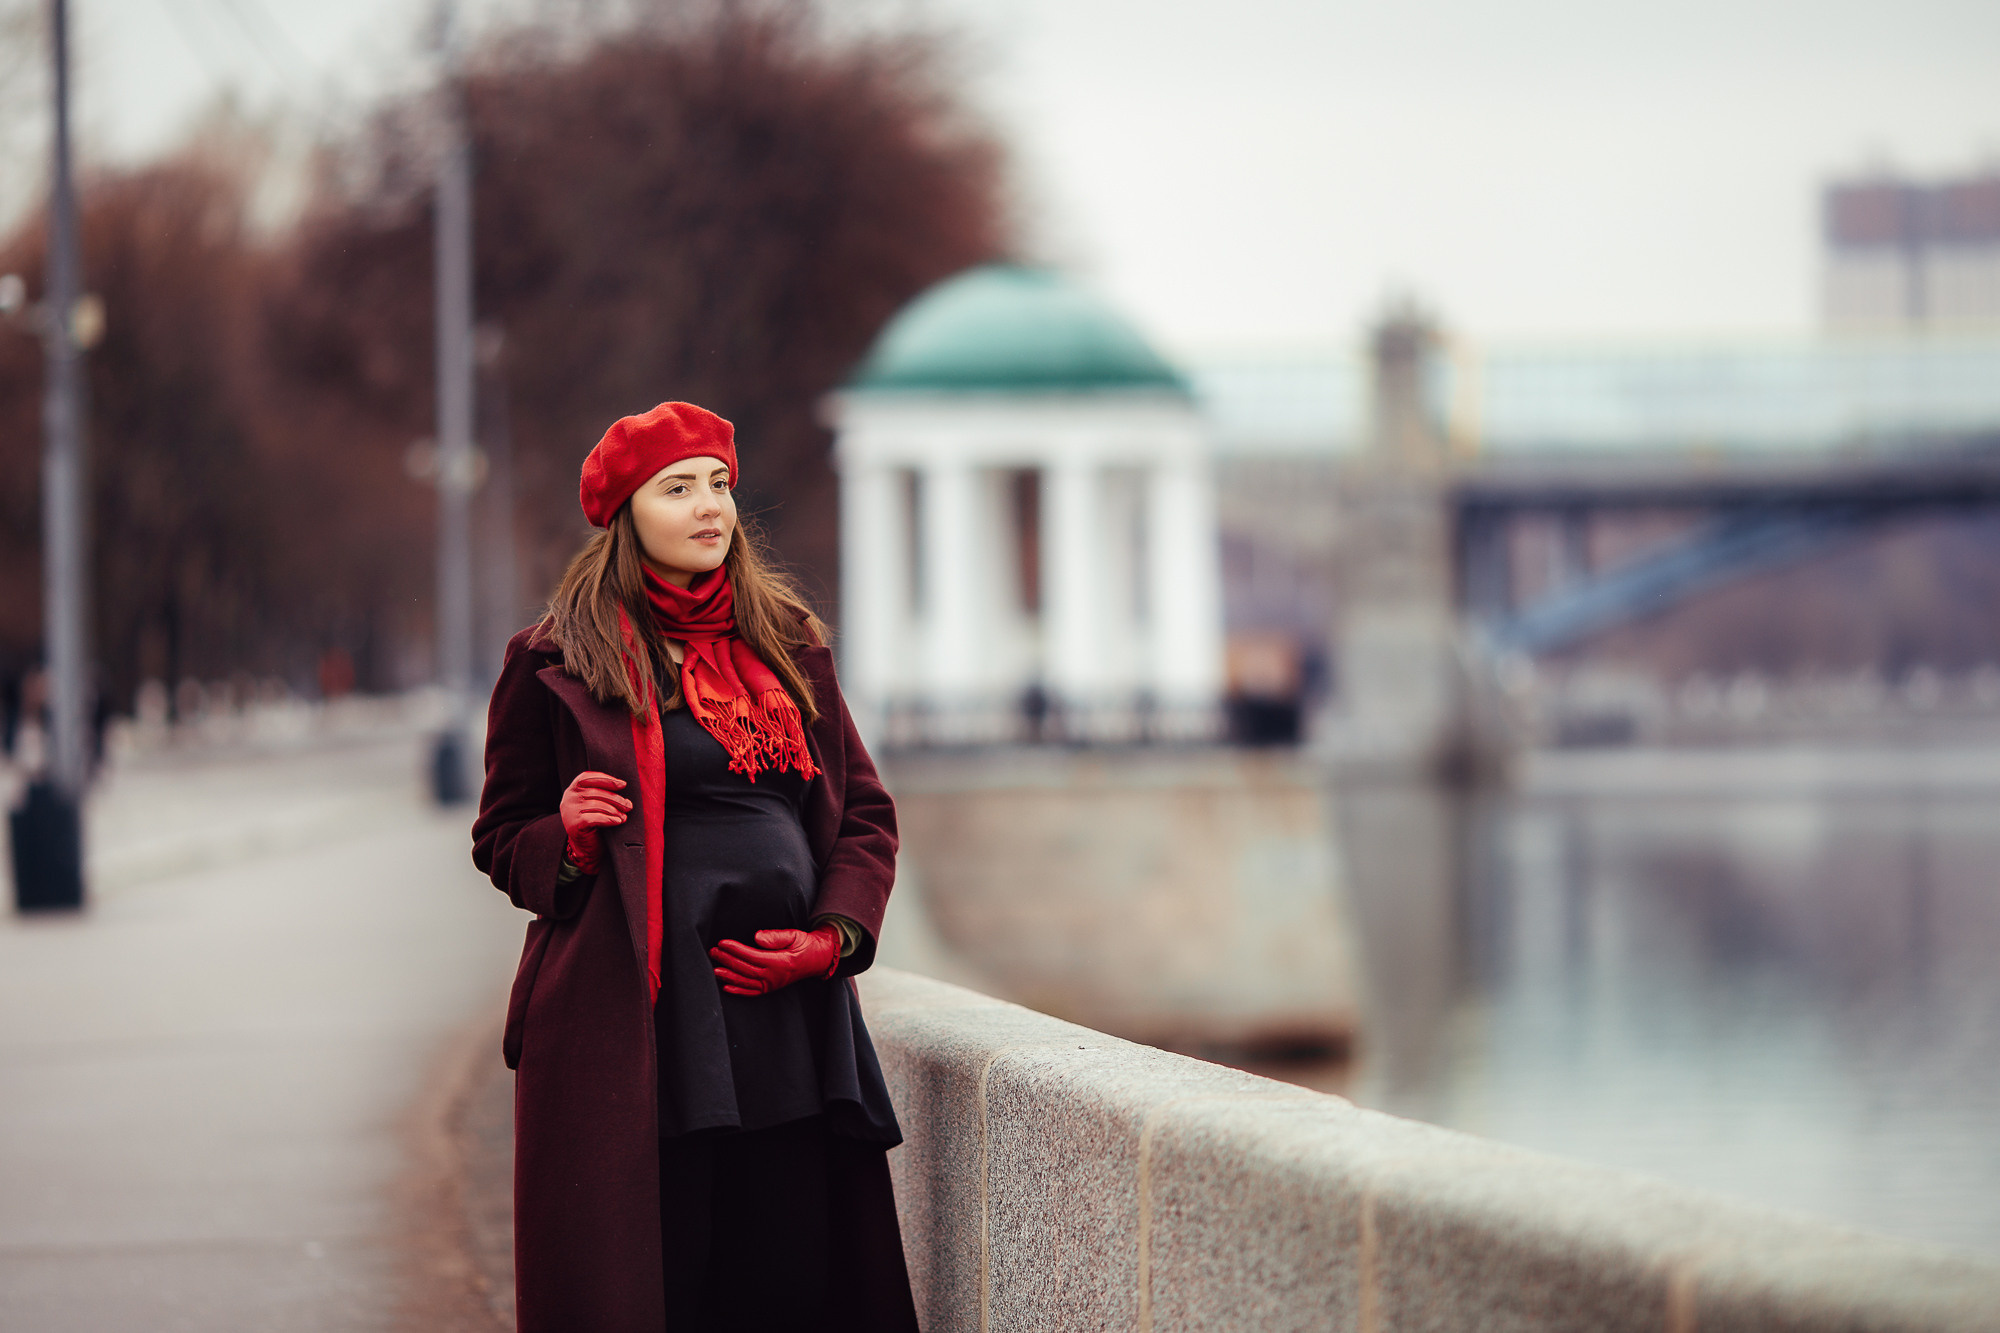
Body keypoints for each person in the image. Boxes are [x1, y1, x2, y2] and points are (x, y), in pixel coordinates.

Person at [471, 402, 920, 1333]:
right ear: (626, 513)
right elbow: (501, 834)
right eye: (677, 489)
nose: (709, 506)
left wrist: (831, 938)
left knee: (792, 1280)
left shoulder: (788, 643)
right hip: (635, 1017)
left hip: (788, 1018)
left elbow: (864, 815)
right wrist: (566, 834)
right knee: (662, 1282)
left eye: (718, 483)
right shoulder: (555, 656)